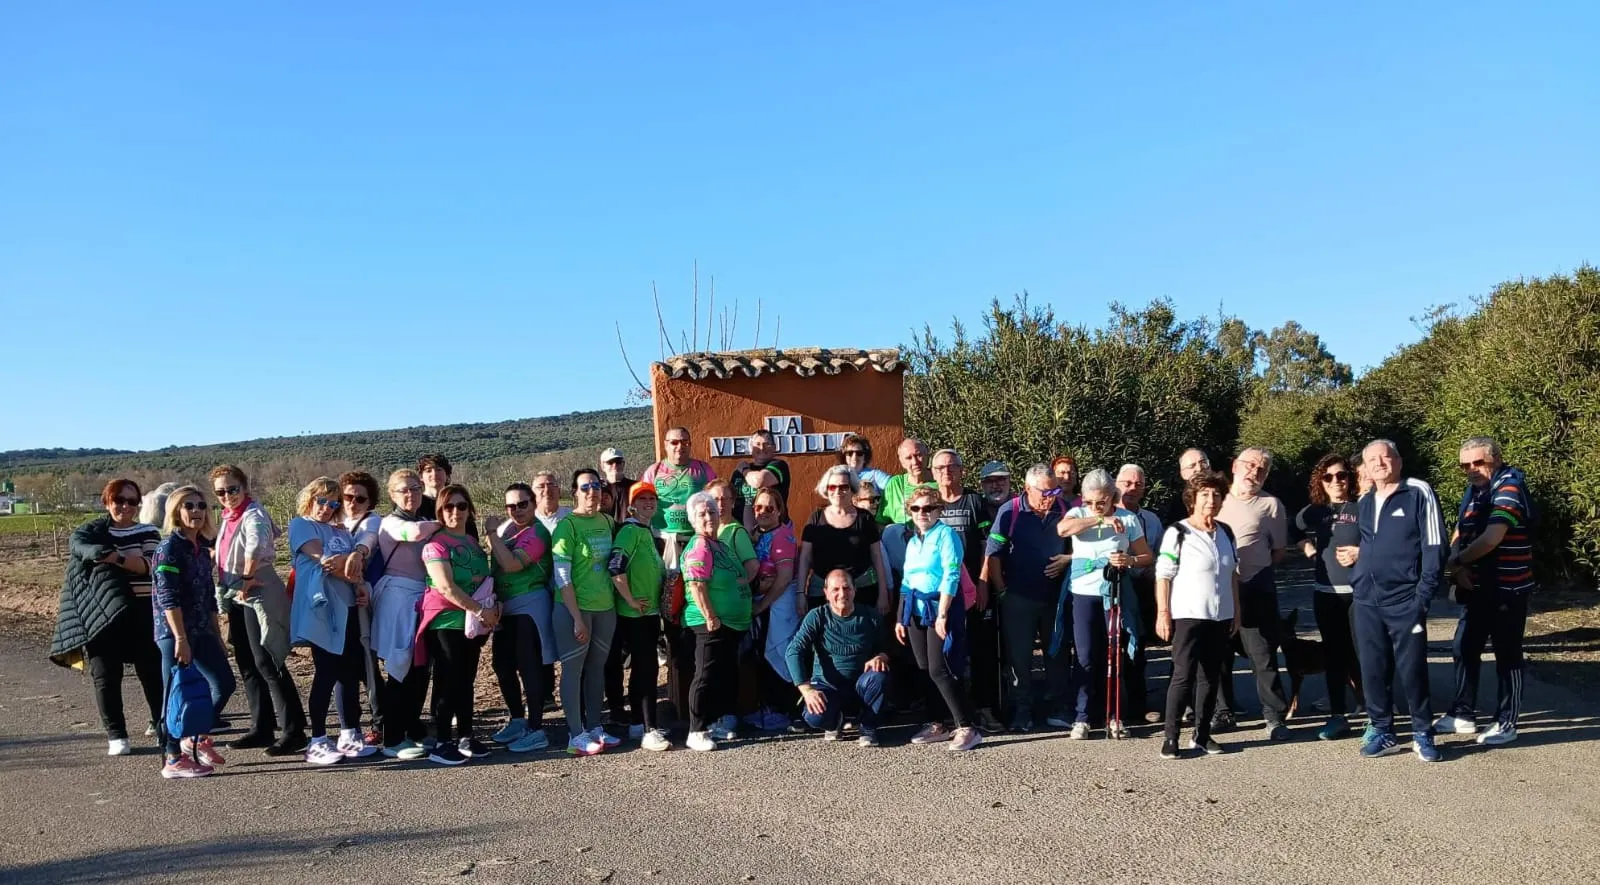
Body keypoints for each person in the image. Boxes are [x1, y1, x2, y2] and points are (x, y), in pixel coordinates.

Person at [1340, 439, 1444, 763]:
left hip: (1405, 600)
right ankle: (1383, 731)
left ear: (1398, 460)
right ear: (1366, 468)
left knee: (1412, 669)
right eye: (1372, 459)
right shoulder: (1367, 502)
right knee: (1372, 669)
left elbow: (1435, 547)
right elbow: (1369, 546)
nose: (1380, 463)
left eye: (1386, 457)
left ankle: (1423, 732)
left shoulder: (1418, 492)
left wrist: (1422, 597)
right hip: (1367, 601)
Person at [49, 478, 164, 757]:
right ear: (107, 502)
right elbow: (79, 548)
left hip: (143, 610)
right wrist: (115, 556)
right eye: (119, 501)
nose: (126, 506)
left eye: (132, 501)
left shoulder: (149, 531)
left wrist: (115, 559)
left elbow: (150, 566)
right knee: (105, 676)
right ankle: (117, 735)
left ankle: (163, 728)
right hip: (102, 613)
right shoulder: (92, 532)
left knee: (152, 673)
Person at [1437, 436, 1533, 746]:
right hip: (1476, 586)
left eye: (1478, 463)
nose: (1472, 469)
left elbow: (1493, 537)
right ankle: (1463, 713)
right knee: (1463, 647)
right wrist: (1456, 565)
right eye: (1465, 465)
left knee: (1507, 655)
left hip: (1507, 588)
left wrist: (1456, 562)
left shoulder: (1509, 487)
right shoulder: (1475, 491)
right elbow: (1459, 531)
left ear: (1497, 459)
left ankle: (1507, 720)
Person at [212, 466, 306, 756]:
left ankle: (294, 731)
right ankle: (261, 726)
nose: (227, 496)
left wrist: (248, 575)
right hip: (238, 593)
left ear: (244, 487)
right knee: (247, 662)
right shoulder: (229, 518)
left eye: (232, 489)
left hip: (257, 590)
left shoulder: (253, 514)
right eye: (221, 492)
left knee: (268, 659)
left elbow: (257, 544)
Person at [1057, 469, 1153, 739]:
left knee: (1114, 656)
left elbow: (1146, 555)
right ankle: (1083, 716)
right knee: (1086, 656)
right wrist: (1100, 517)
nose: (1094, 506)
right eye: (1088, 502)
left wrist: (1130, 561)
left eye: (1101, 502)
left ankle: (1115, 715)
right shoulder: (1079, 514)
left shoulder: (1129, 519)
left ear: (1113, 497)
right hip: (1082, 593)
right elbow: (1063, 529)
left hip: (1114, 590)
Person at [287, 477, 377, 764]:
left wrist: (359, 585)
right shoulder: (301, 525)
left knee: (348, 673)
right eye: (322, 501)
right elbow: (324, 559)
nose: (327, 508)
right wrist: (350, 569)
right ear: (310, 498)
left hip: (347, 608)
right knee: (326, 673)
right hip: (321, 611)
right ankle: (317, 740)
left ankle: (350, 734)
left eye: (333, 503)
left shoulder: (340, 530)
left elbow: (352, 564)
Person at [1154, 471, 1241, 759]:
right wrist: (1163, 613)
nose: (1211, 500)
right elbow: (1163, 576)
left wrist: (1236, 612)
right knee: (1183, 676)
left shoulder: (1226, 532)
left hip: (1220, 616)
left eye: (1216, 495)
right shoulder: (1178, 532)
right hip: (1188, 614)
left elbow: (1231, 576)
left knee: (1211, 677)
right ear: (1192, 499)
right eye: (1205, 494)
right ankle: (1171, 737)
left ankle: (1202, 736)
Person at [152, 485, 236, 779]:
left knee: (224, 684)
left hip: (201, 630)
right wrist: (180, 639)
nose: (196, 511)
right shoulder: (169, 548)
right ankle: (172, 757)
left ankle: (193, 736)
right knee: (176, 694)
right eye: (189, 506)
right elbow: (167, 597)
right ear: (176, 511)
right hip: (175, 634)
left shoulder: (200, 548)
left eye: (201, 506)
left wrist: (216, 632)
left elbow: (209, 594)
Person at [417, 484, 499, 765]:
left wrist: (490, 610)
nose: (455, 512)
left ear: (470, 510)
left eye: (461, 506)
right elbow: (445, 586)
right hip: (445, 622)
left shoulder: (472, 544)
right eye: (448, 507)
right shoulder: (435, 546)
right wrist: (480, 611)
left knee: (466, 680)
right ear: (439, 511)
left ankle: (466, 735)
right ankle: (441, 740)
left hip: (471, 624)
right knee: (447, 680)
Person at [1213, 446, 1292, 740]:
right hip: (1219, 588)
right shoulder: (1214, 497)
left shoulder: (1271, 505)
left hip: (1256, 587)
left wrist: (1255, 570)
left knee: (1262, 653)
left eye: (1261, 470)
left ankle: (1274, 716)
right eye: (1249, 466)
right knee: (1218, 653)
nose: (1254, 473)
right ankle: (1223, 711)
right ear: (1235, 465)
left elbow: (1279, 551)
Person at [985, 464, 1071, 732]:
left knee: (1056, 655)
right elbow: (993, 553)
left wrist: (1068, 559)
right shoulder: (1010, 511)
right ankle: (1022, 711)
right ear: (1027, 489)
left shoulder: (1066, 510)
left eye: (1054, 489)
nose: (1050, 496)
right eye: (1044, 491)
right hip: (1018, 597)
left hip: (1055, 598)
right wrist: (1001, 591)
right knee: (1019, 658)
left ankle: (1058, 708)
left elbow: (1084, 548)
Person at [897, 487, 982, 751]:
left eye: (928, 508)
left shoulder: (947, 536)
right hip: (915, 609)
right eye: (916, 508)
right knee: (924, 668)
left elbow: (951, 575)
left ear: (938, 510)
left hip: (940, 607)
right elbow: (906, 580)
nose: (922, 513)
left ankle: (967, 725)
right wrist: (901, 617)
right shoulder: (912, 540)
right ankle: (937, 723)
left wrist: (943, 613)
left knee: (940, 668)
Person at [371, 469, 440, 760]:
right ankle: (392, 737)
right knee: (399, 668)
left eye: (415, 488)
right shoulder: (390, 522)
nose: (410, 495)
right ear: (392, 494)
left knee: (419, 669)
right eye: (403, 490)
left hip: (420, 598)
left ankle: (411, 727)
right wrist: (444, 522)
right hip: (398, 599)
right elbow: (412, 535)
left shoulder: (423, 520)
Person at [1294, 454, 1364, 741]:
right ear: (1320, 482)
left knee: (1363, 654)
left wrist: (1361, 554)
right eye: (1328, 477)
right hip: (1325, 593)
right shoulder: (1315, 510)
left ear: (1351, 478)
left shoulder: (1364, 507)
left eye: (1341, 475)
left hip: (1359, 594)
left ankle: (1374, 711)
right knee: (1334, 657)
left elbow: (1383, 540)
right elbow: (1292, 528)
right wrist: (1306, 547)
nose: (1336, 481)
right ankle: (1337, 715)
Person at [932, 449, 1002, 733]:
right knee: (943, 655)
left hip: (973, 591)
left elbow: (988, 545)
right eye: (940, 467)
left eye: (952, 466)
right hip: (938, 595)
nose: (946, 472)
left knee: (981, 649)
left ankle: (985, 709)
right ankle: (948, 714)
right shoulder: (928, 504)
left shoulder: (975, 501)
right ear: (932, 472)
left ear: (961, 470)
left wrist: (985, 581)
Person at [551, 468, 618, 756]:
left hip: (605, 607)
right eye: (586, 486)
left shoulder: (607, 521)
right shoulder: (568, 526)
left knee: (596, 670)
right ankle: (575, 734)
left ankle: (594, 726)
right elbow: (562, 575)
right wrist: (577, 617)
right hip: (573, 610)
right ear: (575, 493)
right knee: (573, 671)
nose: (593, 491)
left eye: (597, 485)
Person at [484, 482, 556, 754]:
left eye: (522, 504)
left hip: (530, 605)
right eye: (511, 506)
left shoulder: (538, 533)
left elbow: (512, 564)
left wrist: (491, 533)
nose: (517, 510)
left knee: (529, 666)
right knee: (502, 664)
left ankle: (536, 728)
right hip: (505, 608)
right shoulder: (510, 531)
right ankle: (517, 719)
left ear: (534, 503)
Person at [681, 491, 754, 751]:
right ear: (692, 520)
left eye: (712, 511)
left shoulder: (719, 544)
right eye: (701, 513)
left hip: (731, 624)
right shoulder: (699, 545)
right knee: (705, 675)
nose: (708, 516)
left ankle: (714, 722)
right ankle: (696, 730)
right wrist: (710, 615)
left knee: (721, 674)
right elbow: (696, 584)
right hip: (709, 622)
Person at [787, 569, 891, 746]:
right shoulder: (817, 616)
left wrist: (881, 657)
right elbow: (793, 651)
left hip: (861, 686)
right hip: (828, 687)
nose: (842, 594)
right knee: (814, 717)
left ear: (854, 590)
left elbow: (887, 647)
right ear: (826, 593)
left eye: (847, 588)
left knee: (879, 676)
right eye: (835, 589)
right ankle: (835, 722)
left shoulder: (870, 615)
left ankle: (868, 727)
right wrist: (807, 690)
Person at [604, 482, 669, 750]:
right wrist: (630, 598)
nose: (648, 502)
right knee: (647, 670)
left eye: (652, 498)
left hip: (649, 612)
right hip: (636, 614)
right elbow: (615, 566)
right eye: (642, 498)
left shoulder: (646, 531)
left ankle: (636, 724)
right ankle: (649, 729)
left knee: (642, 670)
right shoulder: (630, 531)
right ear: (631, 505)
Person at [797, 465, 889, 613]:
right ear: (826, 490)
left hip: (862, 590)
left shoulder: (865, 518)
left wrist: (883, 593)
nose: (838, 491)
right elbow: (805, 559)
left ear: (852, 489)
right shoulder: (815, 519)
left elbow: (877, 557)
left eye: (843, 487)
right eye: (832, 487)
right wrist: (800, 593)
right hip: (822, 592)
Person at [748, 486, 802, 732]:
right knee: (763, 655)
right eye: (759, 507)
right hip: (763, 600)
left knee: (778, 652)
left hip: (777, 603)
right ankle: (770, 709)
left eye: (770, 508)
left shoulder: (783, 535)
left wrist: (761, 604)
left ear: (780, 511)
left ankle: (786, 710)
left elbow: (784, 577)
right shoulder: (755, 534)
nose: (763, 512)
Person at [1115, 464, 1163, 724]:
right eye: (1127, 483)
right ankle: (1108, 707)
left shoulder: (1152, 520)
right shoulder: (1102, 514)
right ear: (1116, 483)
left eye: (1138, 484)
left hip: (1142, 591)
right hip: (1109, 591)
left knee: (1137, 650)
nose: (1132, 488)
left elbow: (1161, 556)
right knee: (1109, 650)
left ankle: (1137, 706)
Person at [338, 470, 384, 746]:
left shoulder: (372, 521)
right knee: (348, 664)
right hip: (341, 601)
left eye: (360, 498)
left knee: (368, 662)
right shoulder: (336, 522)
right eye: (347, 496)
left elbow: (369, 541)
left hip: (363, 600)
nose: (352, 502)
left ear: (370, 502)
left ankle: (380, 722)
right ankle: (352, 724)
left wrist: (358, 554)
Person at [639, 426, 716, 564]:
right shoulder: (653, 471)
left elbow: (716, 500)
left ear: (690, 445)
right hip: (662, 539)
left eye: (685, 442)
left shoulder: (704, 470)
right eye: (674, 442)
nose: (680, 446)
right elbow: (641, 505)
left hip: (696, 538)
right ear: (665, 445)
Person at [731, 429, 792, 524]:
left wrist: (744, 470)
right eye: (758, 444)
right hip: (742, 534)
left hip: (773, 532)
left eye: (766, 444)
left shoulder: (779, 466)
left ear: (774, 448)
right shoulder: (738, 473)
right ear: (751, 448)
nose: (762, 448)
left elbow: (759, 481)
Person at [417, 453, 477, 538]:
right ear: (421, 477)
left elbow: (471, 532)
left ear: (447, 474)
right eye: (428, 470)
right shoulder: (416, 503)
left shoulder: (458, 500)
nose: (434, 474)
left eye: (439, 469)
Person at [880, 438, 935, 525]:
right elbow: (882, 521)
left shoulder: (940, 481)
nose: (915, 462)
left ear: (927, 455)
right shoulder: (895, 484)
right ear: (902, 462)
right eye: (909, 458)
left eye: (918, 455)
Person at [1164, 448, 1212, 524]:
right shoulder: (1179, 505)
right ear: (1183, 474)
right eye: (1192, 466)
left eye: (1203, 462)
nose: (1199, 468)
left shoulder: (1225, 495)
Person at [600, 448, 636, 523]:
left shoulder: (636, 487)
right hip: (606, 531)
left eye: (618, 462)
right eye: (610, 462)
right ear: (602, 466)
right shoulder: (598, 489)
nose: (614, 465)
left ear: (623, 464)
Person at [531, 471, 572, 535]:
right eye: (541, 486)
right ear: (532, 493)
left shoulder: (574, 517)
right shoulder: (524, 520)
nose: (547, 490)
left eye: (551, 485)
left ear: (559, 491)